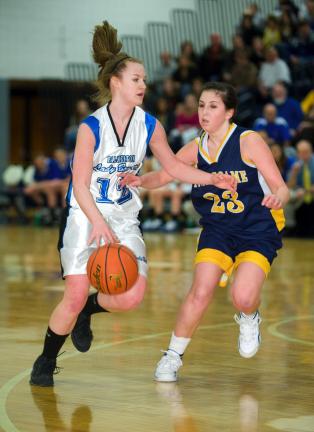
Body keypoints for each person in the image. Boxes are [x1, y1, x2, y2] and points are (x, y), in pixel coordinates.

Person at [29, 22, 236, 387]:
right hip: (85, 213)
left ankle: (87, 313)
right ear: (116, 83)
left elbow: (172, 167)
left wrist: (211, 178)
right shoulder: (90, 128)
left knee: (131, 295)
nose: (144, 85)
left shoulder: (150, 125)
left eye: (144, 80)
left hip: (124, 215)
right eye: (137, 79)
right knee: (74, 294)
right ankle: (46, 360)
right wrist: (96, 221)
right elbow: (78, 184)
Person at [121, 82, 290, 382]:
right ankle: (172, 355)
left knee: (243, 296)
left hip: (257, 228)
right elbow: (165, 173)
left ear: (229, 112)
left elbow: (281, 186)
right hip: (218, 229)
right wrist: (139, 180)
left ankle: (249, 317)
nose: (204, 112)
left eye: (212, 106)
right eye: (201, 105)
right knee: (200, 291)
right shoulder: (196, 146)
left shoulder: (248, 141)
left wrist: (278, 197)